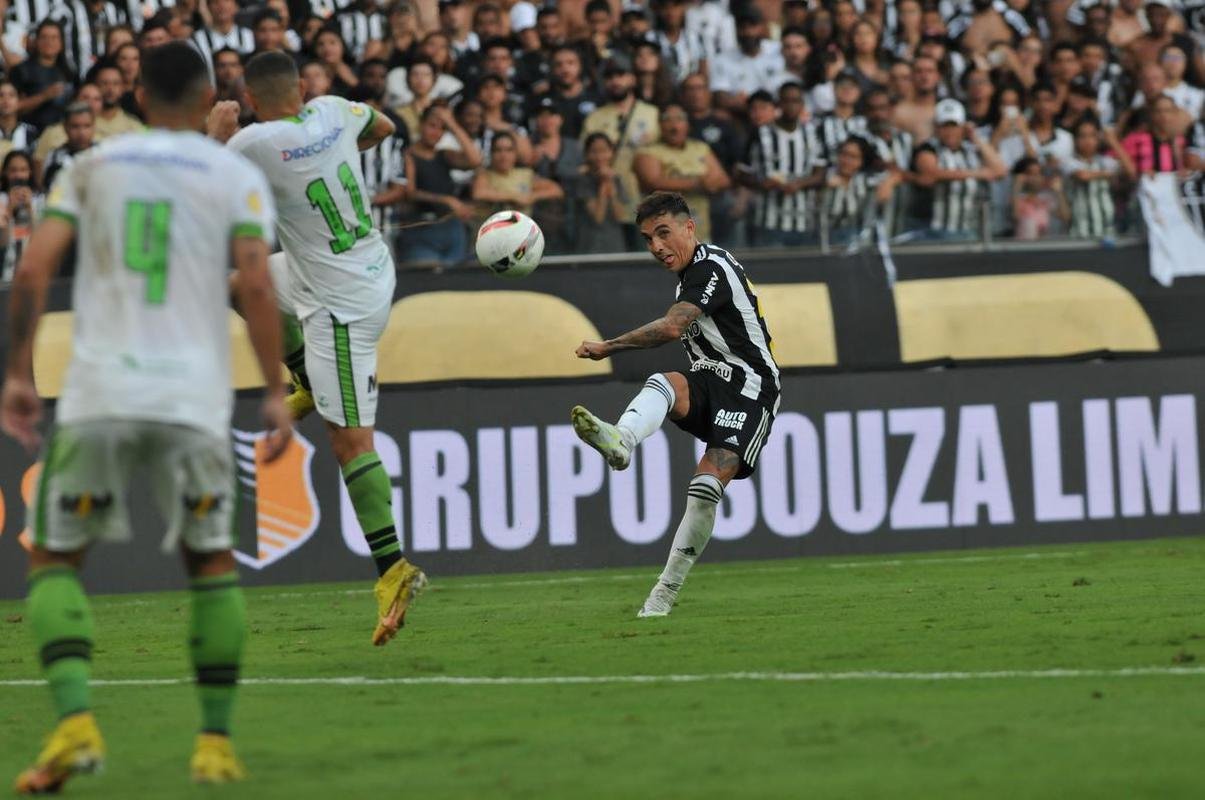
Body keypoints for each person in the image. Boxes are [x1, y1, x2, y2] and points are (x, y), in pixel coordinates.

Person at [1, 41, 289, 791]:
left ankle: (73, 724)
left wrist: (15, 374)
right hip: (192, 402)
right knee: (211, 565)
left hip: (99, 395)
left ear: (134, 98)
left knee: (56, 559)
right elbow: (256, 284)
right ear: (207, 103)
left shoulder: (91, 167)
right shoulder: (231, 173)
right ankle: (215, 745)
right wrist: (270, 389)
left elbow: (31, 268)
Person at [222, 51, 427, 646]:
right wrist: (325, 158)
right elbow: (387, 127)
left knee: (349, 441)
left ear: (254, 99)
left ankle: (393, 570)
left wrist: (216, 134)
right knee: (241, 283)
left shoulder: (251, 142)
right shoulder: (335, 110)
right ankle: (307, 378)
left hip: (339, 309)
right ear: (301, 87)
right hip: (361, 269)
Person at [571, 190, 779, 617]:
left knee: (704, 490)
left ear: (690, 227)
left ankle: (663, 594)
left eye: (664, 234)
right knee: (665, 382)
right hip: (710, 376)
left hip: (751, 386)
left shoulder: (711, 268)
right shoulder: (692, 273)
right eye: (648, 239)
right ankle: (622, 439)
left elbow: (672, 327)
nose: (657, 247)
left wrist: (609, 347)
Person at [905, 98, 1006, 240]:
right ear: (936, 127)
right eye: (944, 126)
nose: (949, 131)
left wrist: (975, 138)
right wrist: (976, 174)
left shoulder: (970, 149)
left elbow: (1000, 170)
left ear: (963, 127)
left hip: (968, 230)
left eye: (954, 126)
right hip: (934, 231)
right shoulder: (928, 148)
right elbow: (930, 174)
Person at [633, 103, 729, 243]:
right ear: (659, 125)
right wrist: (698, 183)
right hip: (661, 238)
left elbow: (723, 179)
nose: (674, 125)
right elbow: (653, 182)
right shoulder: (647, 152)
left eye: (679, 119)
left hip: (699, 231)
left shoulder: (700, 148)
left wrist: (708, 183)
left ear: (688, 125)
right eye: (668, 119)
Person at [402, 103, 481, 263]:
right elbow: (409, 192)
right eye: (432, 126)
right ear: (421, 124)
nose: (436, 133)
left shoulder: (443, 155)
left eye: (441, 128)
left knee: (454, 283)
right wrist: (445, 200)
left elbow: (475, 159)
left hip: (452, 227)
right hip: (421, 228)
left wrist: (452, 124)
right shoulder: (408, 155)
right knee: (429, 281)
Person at [1064, 117, 1134, 238]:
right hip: (1079, 231)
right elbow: (1083, 176)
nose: (1087, 140)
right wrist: (1108, 174)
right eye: (1083, 136)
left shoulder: (1105, 161)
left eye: (1092, 136)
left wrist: (1113, 142)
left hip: (1107, 231)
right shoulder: (1069, 162)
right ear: (1075, 140)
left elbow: (1131, 172)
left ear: (1098, 139)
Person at [471, 131, 564, 220]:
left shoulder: (525, 174)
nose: (504, 155)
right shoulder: (484, 174)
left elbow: (556, 190)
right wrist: (515, 197)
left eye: (509, 150)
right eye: (498, 150)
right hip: (493, 231)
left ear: (515, 153)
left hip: (524, 232)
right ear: (491, 153)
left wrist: (532, 197)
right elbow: (479, 193)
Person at [574, 131, 629, 252]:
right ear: (586, 155)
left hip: (615, 245)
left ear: (611, 153)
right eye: (594, 151)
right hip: (590, 245)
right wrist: (603, 185)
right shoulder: (582, 181)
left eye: (604, 151)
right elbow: (598, 218)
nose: (599, 156)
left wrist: (612, 188)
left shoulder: (617, 179)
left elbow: (620, 216)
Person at [0, 150, 42, 282]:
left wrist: (30, 209)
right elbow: (2, 243)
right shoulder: (1, 200)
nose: (18, 175)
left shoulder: (40, 200)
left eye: (23, 170)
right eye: (13, 170)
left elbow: (40, 241)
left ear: (30, 172)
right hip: (5, 268)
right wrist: (9, 209)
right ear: (5, 172)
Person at [41, 102, 95, 190]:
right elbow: (50, 191)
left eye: (87, 126)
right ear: (65, 127)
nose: (81, 133)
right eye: (75, 126)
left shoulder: (104, 154)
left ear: (94, 126)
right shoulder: (54, 157)